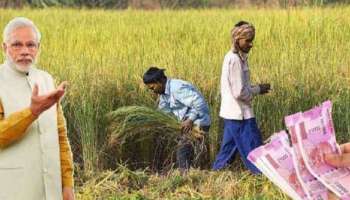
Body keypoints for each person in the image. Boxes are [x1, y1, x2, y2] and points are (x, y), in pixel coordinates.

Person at [0, 17, 74, 200]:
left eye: (31, 45)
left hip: (51, 190)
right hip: (12, 190)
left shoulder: (46, 79)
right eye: (17, 44)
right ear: (4, 48)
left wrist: (67, 185)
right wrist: (31, 113)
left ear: (38, 48)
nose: (25, 51)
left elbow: (61, 137)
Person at [212, 20, 271, 174]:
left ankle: (215, 174)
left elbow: (241, 87)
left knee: (228, 149)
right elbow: (239, 92)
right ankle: (262, 176)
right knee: (254, 149)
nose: (251, 44)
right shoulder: (235, 60)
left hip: (233, 113)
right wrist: (256, 92)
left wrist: (258, 88)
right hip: (240, 114)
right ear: (237, 40)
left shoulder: (237, 57)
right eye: (248, 40)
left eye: (252, 40)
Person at [143, 66, 211, 171]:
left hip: (198, 123)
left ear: (159, 81)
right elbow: (162, 112)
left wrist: (190, 120)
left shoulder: (177, 88)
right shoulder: (164, 94)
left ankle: (185, 179)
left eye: (152, 88)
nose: (153, 91)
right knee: (187, 153)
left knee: (182, 151)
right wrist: (151, 121)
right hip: (187, 124)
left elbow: (199, 103)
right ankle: (192, 175)